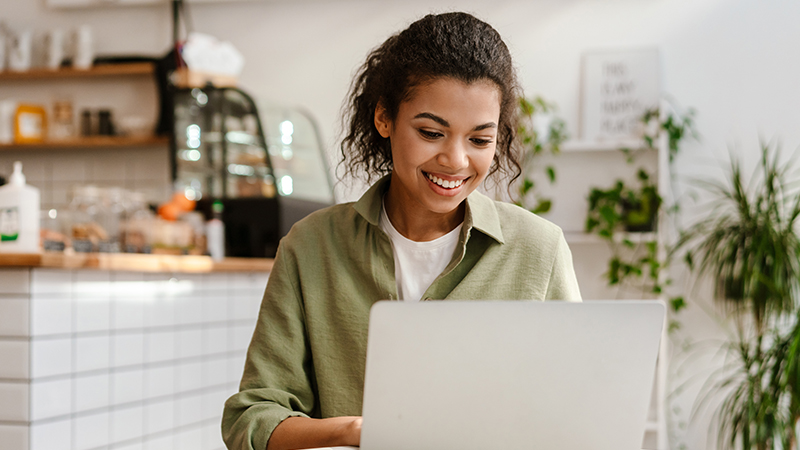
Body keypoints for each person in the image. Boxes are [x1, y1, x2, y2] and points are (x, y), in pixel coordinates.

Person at [221, 12, 581, 450]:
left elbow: (573, 414)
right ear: (384, 118)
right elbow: (252, 419)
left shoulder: (539, 250)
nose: (455, 160)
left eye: (479, 140)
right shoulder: (311, 246)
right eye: (431, 132)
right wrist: (352, 432)